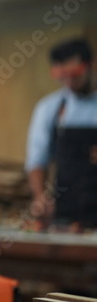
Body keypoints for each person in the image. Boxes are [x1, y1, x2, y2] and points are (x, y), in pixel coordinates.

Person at [25, 37, 97, 230]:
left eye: (75, 75)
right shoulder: (50, 108)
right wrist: (39, 196)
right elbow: (36, 159)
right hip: (66, 209)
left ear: (89, 66)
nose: (69, 83)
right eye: (63, 77)